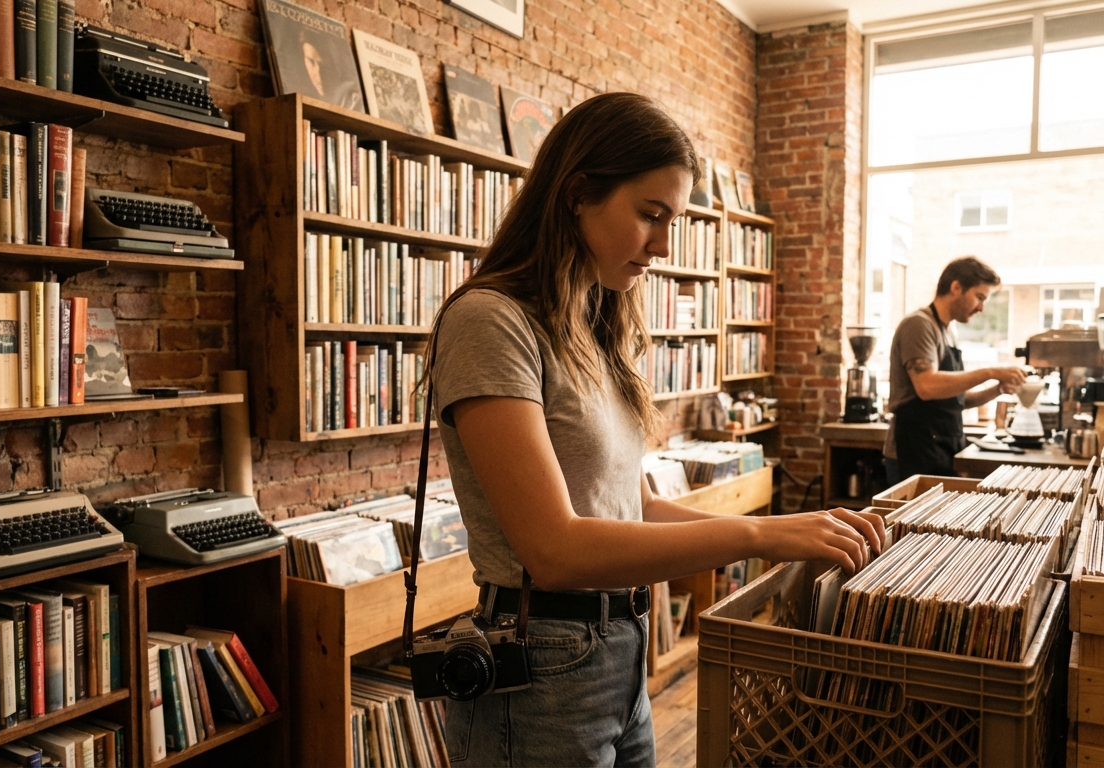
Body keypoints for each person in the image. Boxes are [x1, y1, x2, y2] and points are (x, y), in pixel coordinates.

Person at [425, 92, 886, 766]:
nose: (665, 246)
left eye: (674, 221)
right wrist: (763, 533)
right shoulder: (490, 321)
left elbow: (634, 508)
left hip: (622, 648)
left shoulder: (595, 326)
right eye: (651, 216)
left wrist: (796, 529)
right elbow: (554, 550)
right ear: (578, 193)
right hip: (542, 662)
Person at [882, 256, 1027, 485]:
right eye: (979, 297)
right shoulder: (919, 325)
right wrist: (990, 372)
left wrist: (998, 390)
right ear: (956, 287)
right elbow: (927, 387)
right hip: (913, 450)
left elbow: (957, 399)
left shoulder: (949, 331)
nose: (981, 308)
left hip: (941, 450)